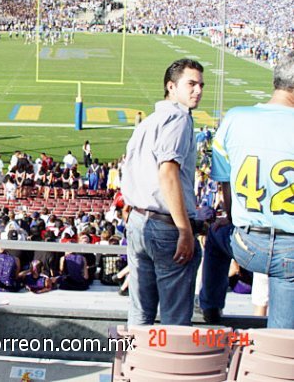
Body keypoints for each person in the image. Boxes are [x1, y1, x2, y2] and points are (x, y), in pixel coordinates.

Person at [200, 54, 294, 329]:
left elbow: (224, 180)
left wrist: (231, 216)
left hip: (247, 244)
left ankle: (211, 306)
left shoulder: (236, 118)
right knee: (282, 341)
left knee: (217, 235)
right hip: (291, 249)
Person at [121, 59, 204, 326]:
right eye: (190, 84)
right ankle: (170, 368)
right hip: (165, 226)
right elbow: (168, 173)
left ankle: (132, 366)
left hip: (138, 220)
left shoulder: (150, 120)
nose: (198, 90)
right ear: (171, 86)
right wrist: (184, 229)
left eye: (201, 85)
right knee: (175, 319)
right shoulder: (178, 118)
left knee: (139, 314)